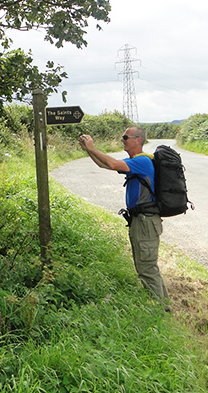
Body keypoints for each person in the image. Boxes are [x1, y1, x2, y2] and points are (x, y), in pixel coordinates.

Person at [79, 126, 170, 304]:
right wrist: (89, 151)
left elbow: (112, 163)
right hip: (140, 221)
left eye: (125, 137)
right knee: (145, 267)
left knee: (147, 268)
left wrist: (92, 147)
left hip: (145, 222)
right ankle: (163, 305)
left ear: (138, 140)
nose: (122, 140)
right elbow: (104, 164)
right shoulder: (136, 161)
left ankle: (161, 310)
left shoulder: (142, 162)